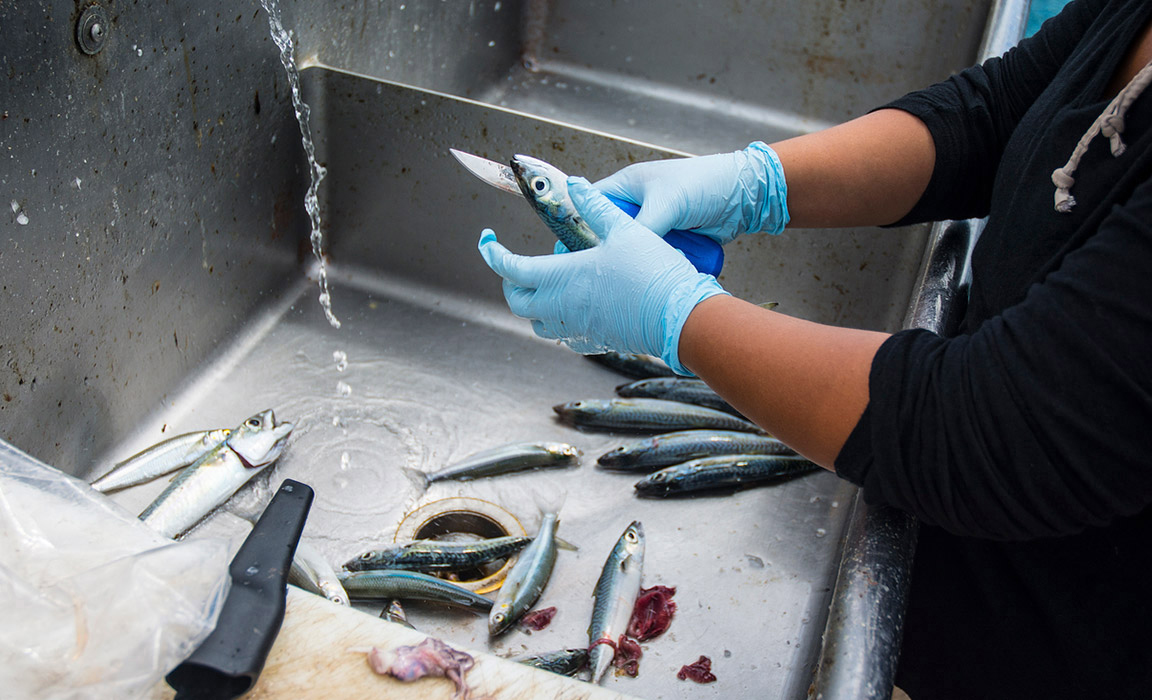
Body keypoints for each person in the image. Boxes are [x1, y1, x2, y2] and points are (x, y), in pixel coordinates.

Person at [476, 0, 1152, 697]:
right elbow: (999, 110)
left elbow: (997, 432)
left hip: (1050, 655)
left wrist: (679, 315)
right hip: (940, 565)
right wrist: (755, 183)